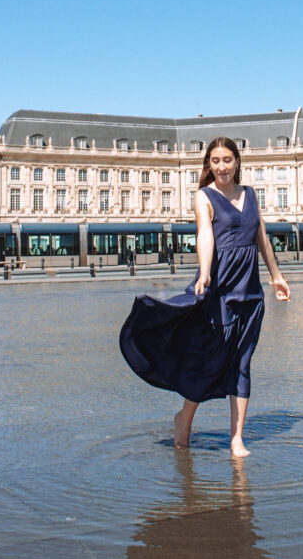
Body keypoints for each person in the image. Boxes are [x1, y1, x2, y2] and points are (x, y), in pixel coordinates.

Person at [119, 136, 290, 458]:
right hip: (219, 285)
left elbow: (261, 238)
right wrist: (206, 271)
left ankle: (237, 438)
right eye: (215, 161)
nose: (222, 166)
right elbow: (205, 235)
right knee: (209, 357)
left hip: (249, 289)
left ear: (237, 161)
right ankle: (185, 416)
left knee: (242, 361)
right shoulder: (204, 196)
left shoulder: (251, 194)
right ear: (208, 165)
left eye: (227, 160)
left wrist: (276, 276)